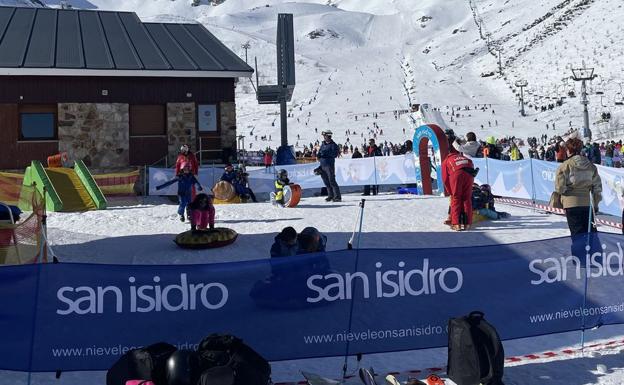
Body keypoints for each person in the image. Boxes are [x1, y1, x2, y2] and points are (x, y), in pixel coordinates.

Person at [554, 138, 602, 255]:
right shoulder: (590, 166)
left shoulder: (565, 166)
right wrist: (595, 204)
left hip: (572, 204)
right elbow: (597, 187)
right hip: (587, 204)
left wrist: (567, 192)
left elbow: (560, 188)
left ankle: (580, 259)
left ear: (568, 150)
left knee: (577, 233)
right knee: (591, 232)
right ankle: (596, 257)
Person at [443, 131, 478, 231]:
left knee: (456, 198)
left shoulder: (447, 160)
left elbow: (445, 179)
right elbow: (470, 164)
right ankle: (468, 224)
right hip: (469, 171)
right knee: (466, 198)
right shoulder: (463, 157)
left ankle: (456, 223)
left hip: (457, 174)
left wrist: (450, 192)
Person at [317, 130, 341, 202]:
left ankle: (337, 197)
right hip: (322, 165)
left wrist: (325, 154)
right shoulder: (323, 144)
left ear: (328, 136)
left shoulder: (333, 145)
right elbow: (320, 152)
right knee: (326, 181)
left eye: (325, 136)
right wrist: (319, 155)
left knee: (332, 180)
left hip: (329, 165)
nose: (324, 137)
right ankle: (330, 195)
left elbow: (335, 154)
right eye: (324, 136)